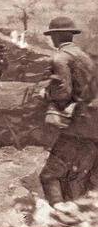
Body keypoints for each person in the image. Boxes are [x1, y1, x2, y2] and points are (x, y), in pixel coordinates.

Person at [38, 17, 98, 206]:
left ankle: (61, 219)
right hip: (94, 124)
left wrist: (46, 93)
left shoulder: (60, 58)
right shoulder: (85, 57)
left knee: (49, 175)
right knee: (78, 178)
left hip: (80, 126)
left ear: (54, 36)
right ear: (71, 35)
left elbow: (62, 93)